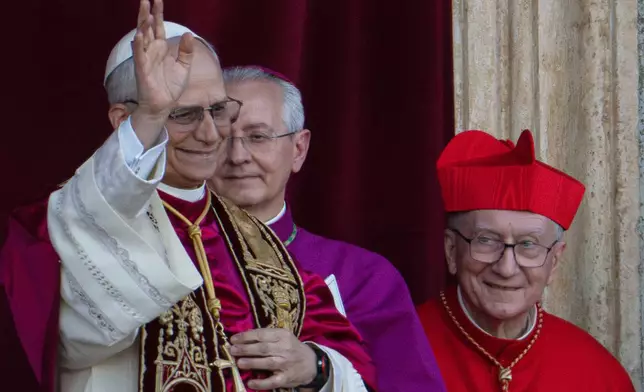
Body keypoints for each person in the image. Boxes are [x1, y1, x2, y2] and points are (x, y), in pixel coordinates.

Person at [0, 1, 377, 391]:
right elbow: (78, 337)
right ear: (124, 121)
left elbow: (351, 362)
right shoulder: (63, 225)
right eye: (182, 114)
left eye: (218, 109)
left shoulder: (259, 241)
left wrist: (315, 365)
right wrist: (150, 117)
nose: (212, 134)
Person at [207, 65, 446, 392]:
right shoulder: (171, 255)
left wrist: (321, 371)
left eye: (258, 137)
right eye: (223, 139)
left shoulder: (364, 277)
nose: (237, 156)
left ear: (298, 150)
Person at [416, 129, 635, 391]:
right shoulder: (396, 349)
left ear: (554, 262)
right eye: (486, 240)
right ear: (451, 251)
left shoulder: (598, 374)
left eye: (528, 245)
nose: (506, 268)